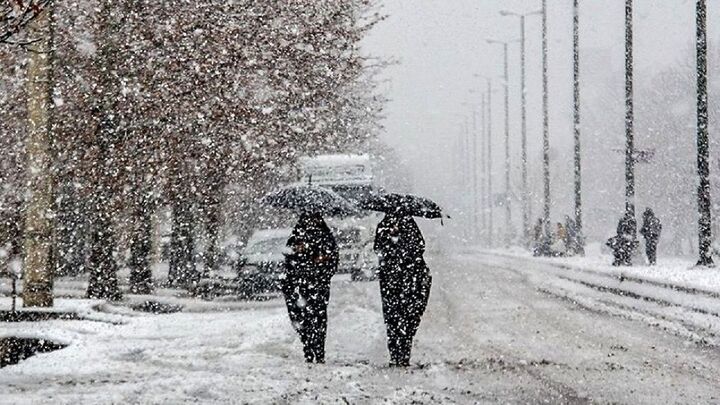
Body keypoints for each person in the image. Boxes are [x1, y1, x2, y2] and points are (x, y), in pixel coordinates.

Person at [374, 214, 432, 367]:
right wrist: (389, 237)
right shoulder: (383, 227)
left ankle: (404, 352)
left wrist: (401, 241)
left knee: (409, 317)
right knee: (392, 318)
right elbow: (378, 249)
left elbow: (419, 248)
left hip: (410, 280)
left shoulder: (410, 227)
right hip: (391, 281)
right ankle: (395, 355)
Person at [281, 212, 338, 364]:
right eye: (308, 219)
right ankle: (308, 347)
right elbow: (288, 260)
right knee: (301, 318)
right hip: (299, 286)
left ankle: (319, 351)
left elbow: (333, 261)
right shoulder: (296, 236)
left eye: (314, 219)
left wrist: (321, 263)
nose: (311, 222)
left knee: (318, 318)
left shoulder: (326, 237)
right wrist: (298, 253)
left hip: (318, 285)